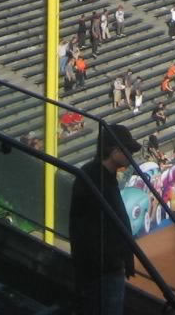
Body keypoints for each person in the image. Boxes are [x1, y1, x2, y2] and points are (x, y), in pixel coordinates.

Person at [69, 123, 139, 314]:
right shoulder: (95, 177)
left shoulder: (101, 175)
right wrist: (118, 256)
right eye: (127, 149)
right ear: (113, 150)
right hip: (101, 271)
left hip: (105, 267)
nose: (130, 155)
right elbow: (88, 227)